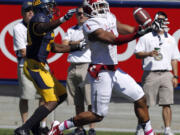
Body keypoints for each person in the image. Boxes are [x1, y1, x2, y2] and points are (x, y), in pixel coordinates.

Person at [48, 0, 156, 135]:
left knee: (140, 97)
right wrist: (138, 34)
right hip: (100, 71)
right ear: (88, 9)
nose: (102, 9)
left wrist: (144, 28)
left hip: (113, 70)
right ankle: (58, 127)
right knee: (97, 115)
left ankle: (149, 132)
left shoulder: (109, 16)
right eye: (97, 6)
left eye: (102, 5)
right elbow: (113, 40)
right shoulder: (89, 24)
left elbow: (121, 28)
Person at [14, 0, 85, 134]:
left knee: (62, 94)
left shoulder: (45, 21)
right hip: (34, 66)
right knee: (51, 101)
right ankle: (23, 128)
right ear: (41, 7)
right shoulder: (38, 20)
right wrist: (63, 19)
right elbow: (42, 28)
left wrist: (77, 46)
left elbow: (54, 47)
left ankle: (33, 125)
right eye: (49, 6)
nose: (52, 9)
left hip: (41, 65)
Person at [134, 11, 180, 135]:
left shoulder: (170, 38)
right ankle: (141, 127)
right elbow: (137, 53)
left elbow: (174, 58)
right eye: (159, 19)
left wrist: (175, 75)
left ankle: (168, 129)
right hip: (151, 73)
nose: (162, 22)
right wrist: (149, 53)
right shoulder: (146, 37)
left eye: (163, 20)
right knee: (145, 104)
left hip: (166, 73)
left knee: (167, 103)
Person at [13, 1, 49, 134]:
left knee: (45, 96)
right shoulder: (19, 28)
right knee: (25, 97)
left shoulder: (41, 25)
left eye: (32, 10)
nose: (30, 12)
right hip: (26, 66)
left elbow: (49, 46)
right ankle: (25, 126)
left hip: (41, 65)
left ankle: (42, 125)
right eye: (27, 10)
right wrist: (39, 50)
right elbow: (23, 52)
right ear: (22, 13)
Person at [62, 7, 96, 135]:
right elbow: (64, 44)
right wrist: (76, 43)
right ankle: (80, 129)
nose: (81, 16)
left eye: (83, 14)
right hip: (73, 66)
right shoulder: (71, 29)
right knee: (77, 102)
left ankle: (92, 128)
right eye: (79, 14)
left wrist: (71, 44)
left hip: (86, 65)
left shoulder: (90, 28)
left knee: (90, 101)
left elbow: (86, 42)